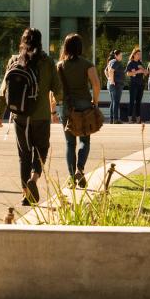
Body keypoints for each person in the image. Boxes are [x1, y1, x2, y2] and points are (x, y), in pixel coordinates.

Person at [0, 28, 63, 205]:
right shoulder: (47, 62)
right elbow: (58, 90)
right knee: (41, 149)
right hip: (41, 116)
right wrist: (57, 106)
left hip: (20, 116)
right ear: (40, 42)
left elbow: (4, 90)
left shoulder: (15, 60)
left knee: (23, 155)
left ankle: (25, 193)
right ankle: (34, 177)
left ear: (22, 41)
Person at [57, 33, 100, 187]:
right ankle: (80, 170)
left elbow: (53, 90)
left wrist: (52, 110)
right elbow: (96, 84)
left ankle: (71, 176)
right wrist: (94, 102)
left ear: (66, 47)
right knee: (84, 140)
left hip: (66, 106)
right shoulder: (87, 64)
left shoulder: (60, 66)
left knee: (69, 144)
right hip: (84, 106)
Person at [126, 47, 146, 123]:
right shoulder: (130, 63)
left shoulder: (140, 63)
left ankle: (138, 119)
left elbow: (145, 72)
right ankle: (130, 119)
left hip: (140, 84)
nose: (139, 56)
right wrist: (137, 71)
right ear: (133, 55)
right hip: (133, 85)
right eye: (138, 54)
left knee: (138, 102)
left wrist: (144, 71)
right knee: (132, 101)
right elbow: (128, 74)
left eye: (140, 54)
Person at [104, 49, 124, 124]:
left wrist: (109, 79)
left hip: (113, 84)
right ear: (116, 56)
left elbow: (105, 71)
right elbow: (111, 70)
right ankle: (115, 119)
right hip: (116, 85)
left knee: (113, 102)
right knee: (116, 102)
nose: (121, 57)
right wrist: (111, 80)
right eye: (120, 55)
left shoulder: (110, 62)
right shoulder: (115, 62)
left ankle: (112, 119)